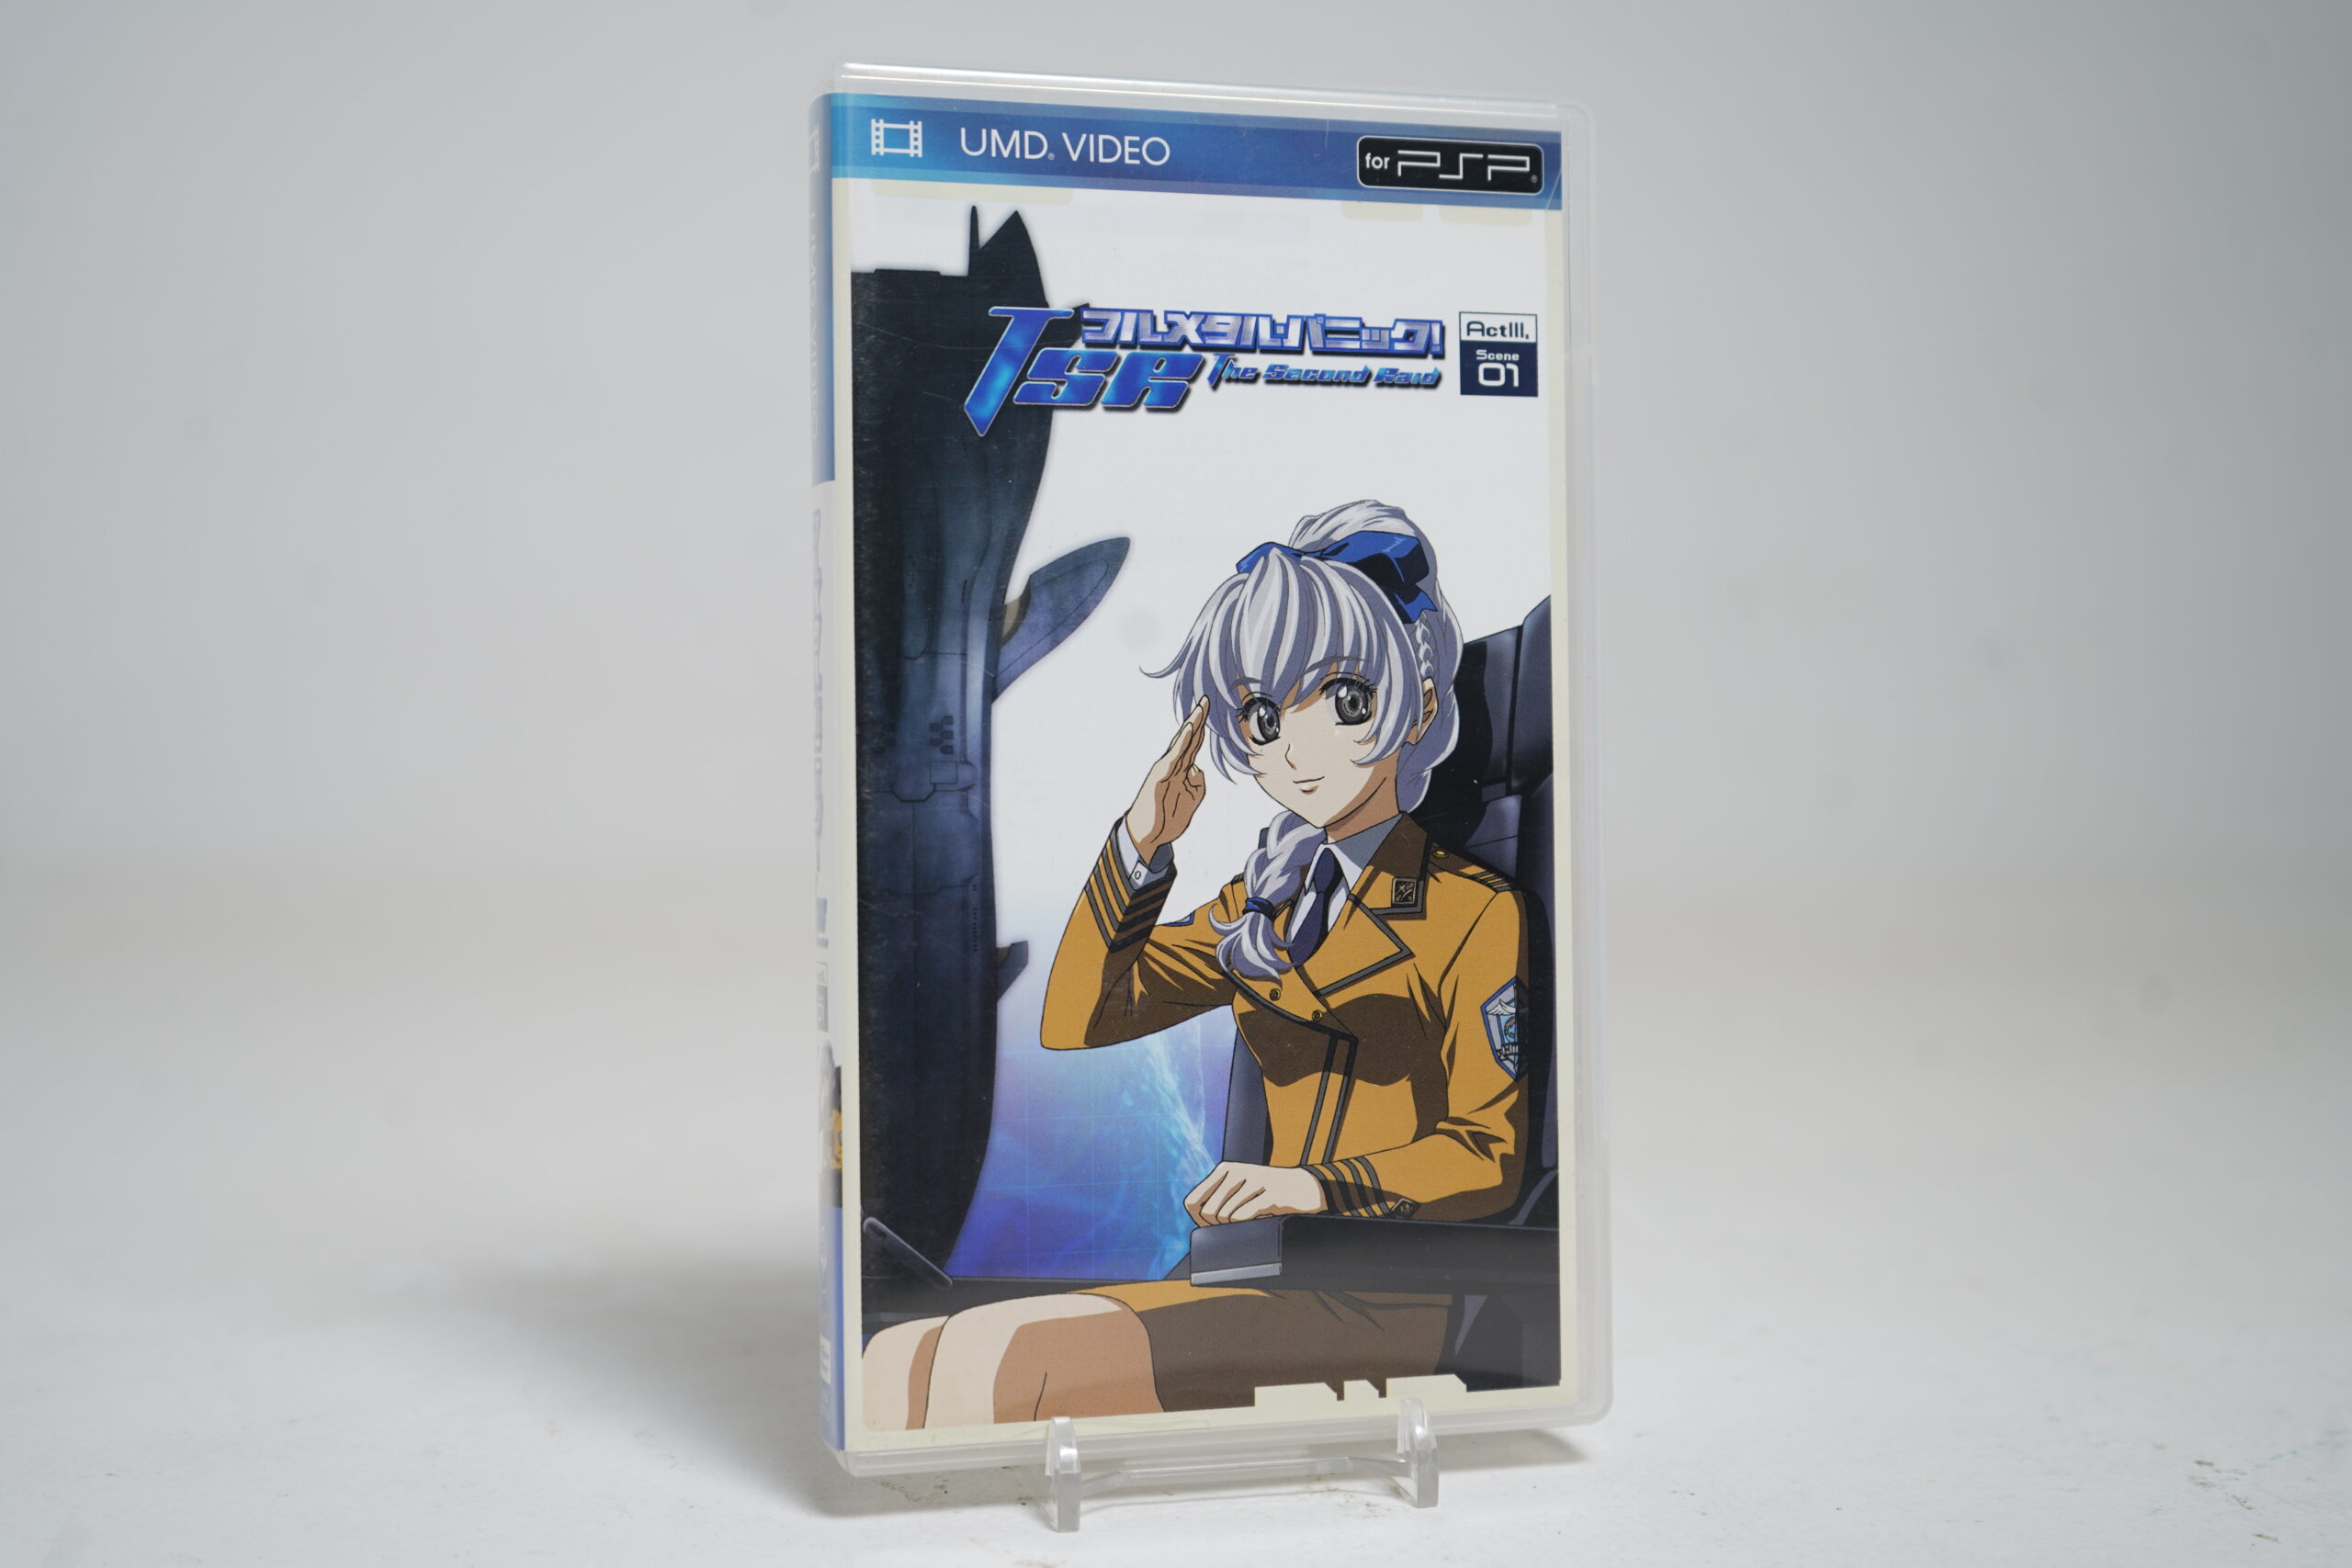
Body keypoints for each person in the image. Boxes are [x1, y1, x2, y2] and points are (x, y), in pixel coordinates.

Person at [863, 500, 1532, 1429]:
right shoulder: (1266, 900)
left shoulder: (1474, 912)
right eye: (1263, 714)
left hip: (1380, 1295)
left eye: (1344, 700)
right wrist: (1142, 844)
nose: (1295, 747)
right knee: (899, 1358)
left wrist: (1311, 1187)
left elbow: (1488, 1155)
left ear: (1417, 704)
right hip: (1251, 1282)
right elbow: (1080, 1016)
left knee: (1009, 1360)